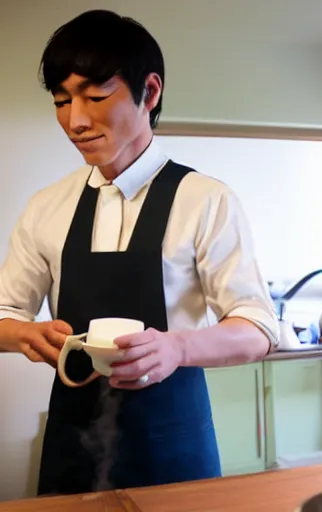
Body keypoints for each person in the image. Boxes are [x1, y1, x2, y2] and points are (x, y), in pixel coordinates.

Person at [0, 9, 279, 495]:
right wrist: (28, 333)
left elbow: (257, 327)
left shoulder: (205, 199)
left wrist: (178, 346)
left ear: (149, 92)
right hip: (73, 440)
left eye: (96, 96)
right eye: (62, 101)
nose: (75, 120)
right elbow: (4, 314)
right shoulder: (46, 206)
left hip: (174, 440)